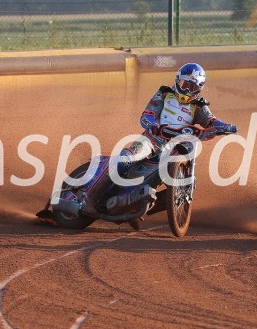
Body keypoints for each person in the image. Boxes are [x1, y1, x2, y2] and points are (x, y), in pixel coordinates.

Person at [80, 62, 237, 215]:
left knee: (173, 178)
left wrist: (227, 127)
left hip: (173, 149)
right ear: (177, 81)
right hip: (151, 140)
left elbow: (211, 121)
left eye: (192, 87)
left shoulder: (199, 106)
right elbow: (146, 116)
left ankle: (134, 203)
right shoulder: (165, 94)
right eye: (184, 85)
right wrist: (154, 126)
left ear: (199, 89)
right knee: (126, 159)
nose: (187, 90)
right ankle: (89, 199)